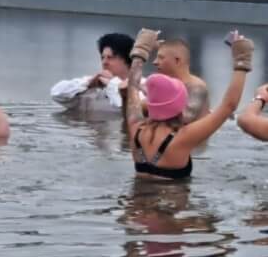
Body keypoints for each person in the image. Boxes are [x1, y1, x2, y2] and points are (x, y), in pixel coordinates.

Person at [121, 27, 250, 181]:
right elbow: (229, 105)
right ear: (179, 105)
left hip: (135, 202)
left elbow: (132, 88)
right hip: (172, 202)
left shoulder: (135, 127)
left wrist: (140, 51)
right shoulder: (183, 138)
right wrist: (241, 61)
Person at [51, 32, 134, 118]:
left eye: (110, 58)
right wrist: (88, 84)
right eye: (103, 57)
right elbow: (56, 94)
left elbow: (132, 111)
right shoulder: (92, 86)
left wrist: (112, 83)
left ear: (127, 61)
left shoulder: (141, 88)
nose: (104, 62)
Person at [154, 38, 210, 121]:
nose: (155, 62)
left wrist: (148, 105)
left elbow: (184, 118)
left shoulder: (196, 87)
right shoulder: (167, 84)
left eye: (161, 58)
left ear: (177, 60)